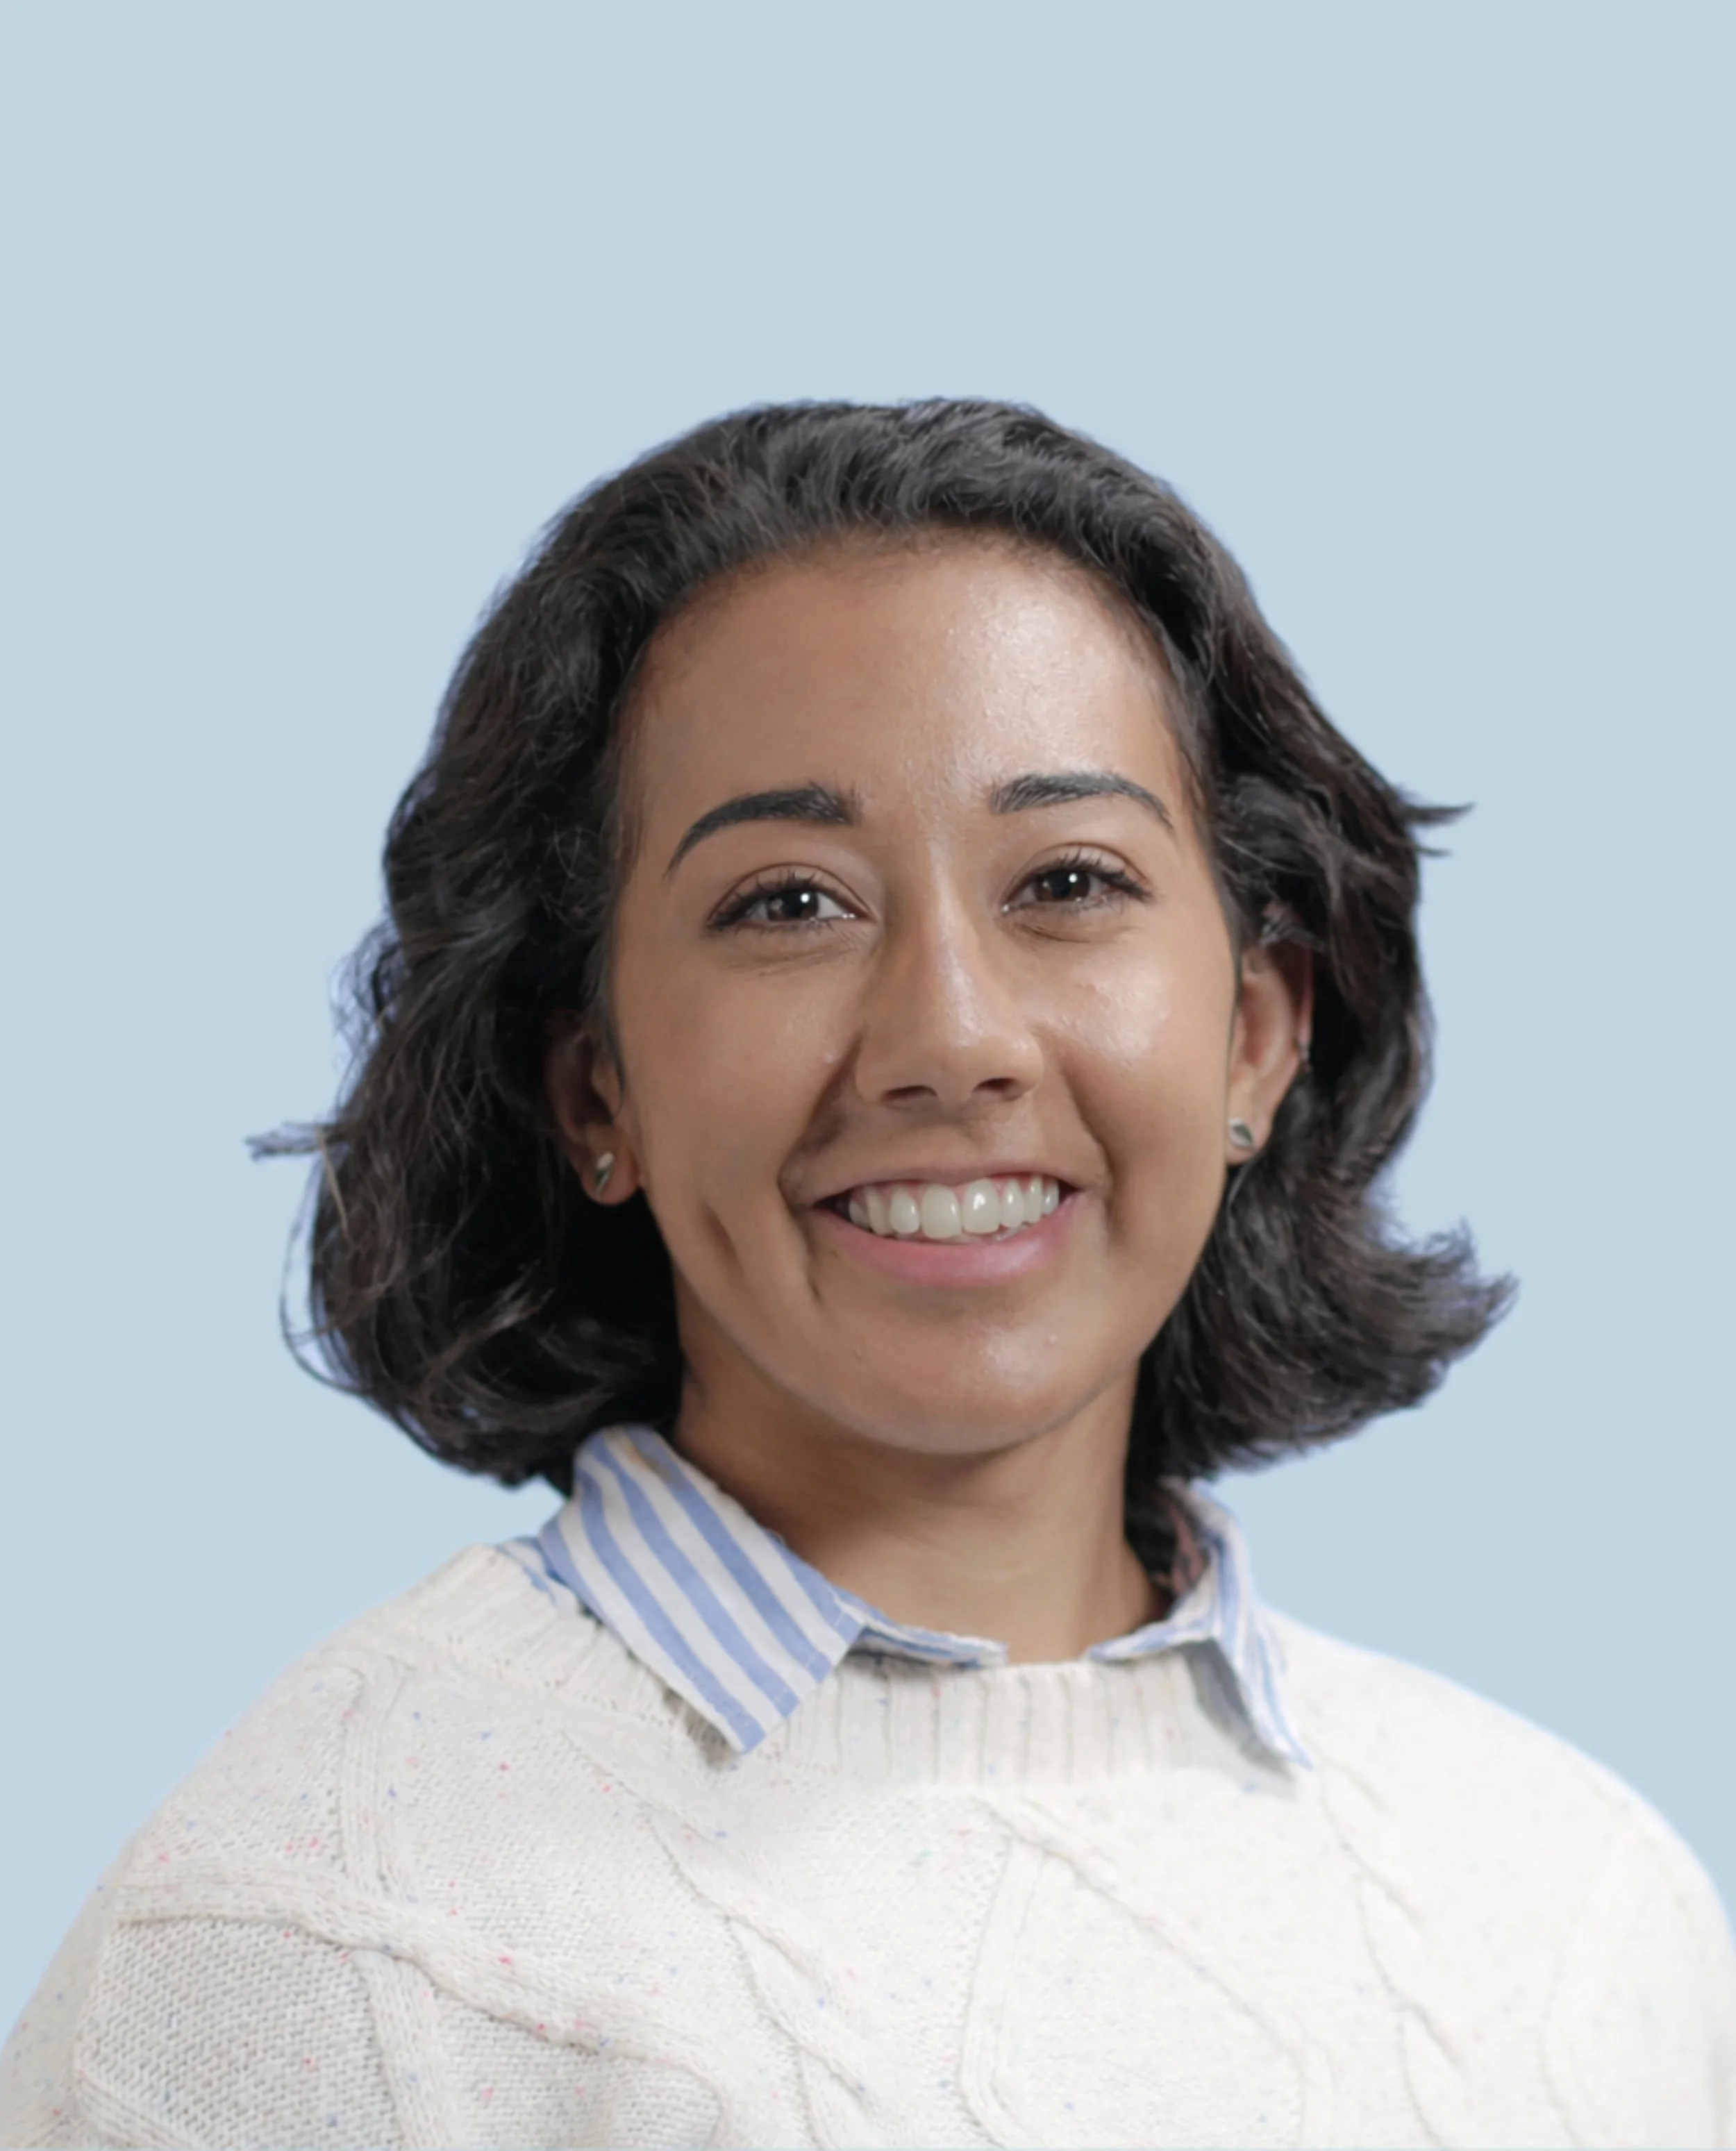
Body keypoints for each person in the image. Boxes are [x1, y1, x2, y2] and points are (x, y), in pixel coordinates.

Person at [3, 400, 1731, 2150]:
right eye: (787, 904)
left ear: (1256, 1036)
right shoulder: (306, 1933)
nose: (948, 1038)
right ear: (593, 1085)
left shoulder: (1587, 1916)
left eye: (1066, 879)